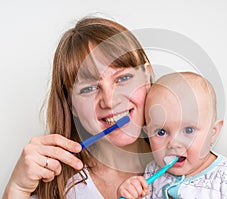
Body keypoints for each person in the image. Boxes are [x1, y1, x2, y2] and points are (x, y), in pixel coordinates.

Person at [3, 16, 154, 199]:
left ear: (147, 77)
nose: (110, 101)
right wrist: (17, 189)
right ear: (71, 104)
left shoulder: (188, 164)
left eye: (123, 79)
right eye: (89, 88)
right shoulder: (56, 188)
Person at [117, 72, 227, 199]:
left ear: (213, 133)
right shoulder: (151, 174)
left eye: (188, 130)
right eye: (161, 132)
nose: (174, 143)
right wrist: (130, 193)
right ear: (147, 134)